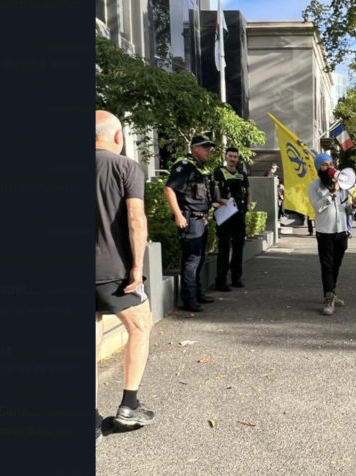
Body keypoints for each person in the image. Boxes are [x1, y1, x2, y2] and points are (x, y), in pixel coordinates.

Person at [95, 110, 155, 446]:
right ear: (118, 137)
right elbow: (136, 219)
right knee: (140, 326)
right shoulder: (125, 167)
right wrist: (137, 267)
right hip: (113, 271)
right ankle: (129, 406)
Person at [163, 135, 216, 312]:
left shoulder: (198, 168)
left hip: (200, 219)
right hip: (190, 219)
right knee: (191, 260)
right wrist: (178, 215)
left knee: (199, 259)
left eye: (210, 147)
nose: (209, 150)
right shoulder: (184, 166)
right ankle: (189, 299)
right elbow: (169, 188)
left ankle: (197, 293)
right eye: (205, 147)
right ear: (194, 148)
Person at [308, 153, 356, 315]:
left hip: (341, 231)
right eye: (325, 164)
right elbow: (317, 207)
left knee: (336, 264)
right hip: (325, 232)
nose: (330, 167)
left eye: (331, 163)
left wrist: (354, 206)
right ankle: (328, 298)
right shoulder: (314, 186)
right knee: (327, 265)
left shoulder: (341, 184)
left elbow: (346, 210)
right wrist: (331, 193)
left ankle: (332, 291)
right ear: (319, 168)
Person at [213, 147, 251, 291]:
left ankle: (236, 277)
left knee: (239, 246)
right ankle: (221, 281)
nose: (233, 159)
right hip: (224, 214)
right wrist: (220, 200)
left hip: (239, 214)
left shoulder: (242, 174)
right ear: (226, 156)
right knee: (224, 247)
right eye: (230, 156)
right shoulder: (219, 172)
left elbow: (248, 191)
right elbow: (213, 191)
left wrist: (248, 204)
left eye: (235, 156)